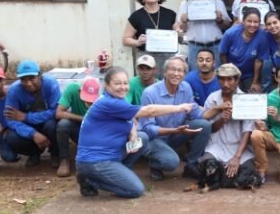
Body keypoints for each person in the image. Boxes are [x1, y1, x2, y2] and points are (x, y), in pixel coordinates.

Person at [75, 67, 194, 198]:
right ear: (107, 85)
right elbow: (149, 111)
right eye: (117, 83)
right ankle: (90, 180)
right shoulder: (109, 103)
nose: (122, 87)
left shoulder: (115, 100)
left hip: (109, 155)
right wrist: (178, 108)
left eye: (125, 83)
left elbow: (129, 118)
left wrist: (133, 133)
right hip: (96, 161)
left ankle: (120, 173)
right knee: (136, 190)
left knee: (141, 137)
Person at [140, 55, 212, 182]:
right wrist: (176, 131)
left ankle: (191, 164)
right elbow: (148, 129)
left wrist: (219, 109)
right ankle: (154, 164)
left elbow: (196, 115)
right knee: (171, 163)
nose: (176, 74)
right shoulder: (150, 93)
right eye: (172, 69)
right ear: (165, 72)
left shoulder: (186, 87)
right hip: (155, 138)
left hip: (177, 134)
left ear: (185, 74)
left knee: (204, 125)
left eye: (180, 71)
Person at [200, 64, 255, 179]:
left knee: (247, 171)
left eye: (229, 79)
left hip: (239, 148)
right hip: (216, 147)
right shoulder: (212, 98)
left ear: (237, 80)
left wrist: (237, 157)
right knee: (205, 168)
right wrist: (222, 120)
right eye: (222, 79)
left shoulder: (245, 100)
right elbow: (210, 128)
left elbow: (247, 131)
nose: (225, 84)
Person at [3, 60, 60, 168]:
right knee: (11, 137)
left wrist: (26, 116)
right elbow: (10, 119)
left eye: (32, 78)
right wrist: (33, 133)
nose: (28, 83)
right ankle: (34, 153)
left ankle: (55, 154)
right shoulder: (14, 91)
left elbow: (56, 111)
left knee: (52, 125)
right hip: (28, 126)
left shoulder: (51, 84)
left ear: (40, 75)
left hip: (46, 122)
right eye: (23, 80)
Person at [175, 0, 231, 70]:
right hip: (194, 47)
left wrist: (220, 20)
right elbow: (180, 28)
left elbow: (227, 26)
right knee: (195, 76)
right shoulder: (185, 4)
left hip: (215, 46)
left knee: (216, 77)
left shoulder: (217, 2)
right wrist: (183, 21)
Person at [122, 0, 179, 75]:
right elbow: (125, 39)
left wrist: (180, 33)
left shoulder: (170, 14)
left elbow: (178, 33)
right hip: (146, 59)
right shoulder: (136, 16)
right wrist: (137, 42)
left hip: (168, 58)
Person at [54, 77, 100, 177]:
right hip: (78, 126)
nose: (88, 103)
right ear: (80, 91)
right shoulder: (72, 88)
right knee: (63, 125)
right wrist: (83, 118)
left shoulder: (103, 96)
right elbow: (59, 113)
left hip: (94, 131)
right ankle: (64, 159)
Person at [219, 7, 268, 93]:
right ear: (243, 21)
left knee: (254, 94)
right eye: (249, 21)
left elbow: (258, 61)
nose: (252, 24)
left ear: (259, 23)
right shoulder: (230, 34)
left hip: (249, 74)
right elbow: (223, 54)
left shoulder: (262, 37)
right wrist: (228, 75)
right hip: (232, 72)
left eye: (256, 22)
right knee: (230, 94)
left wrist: (255, 82)